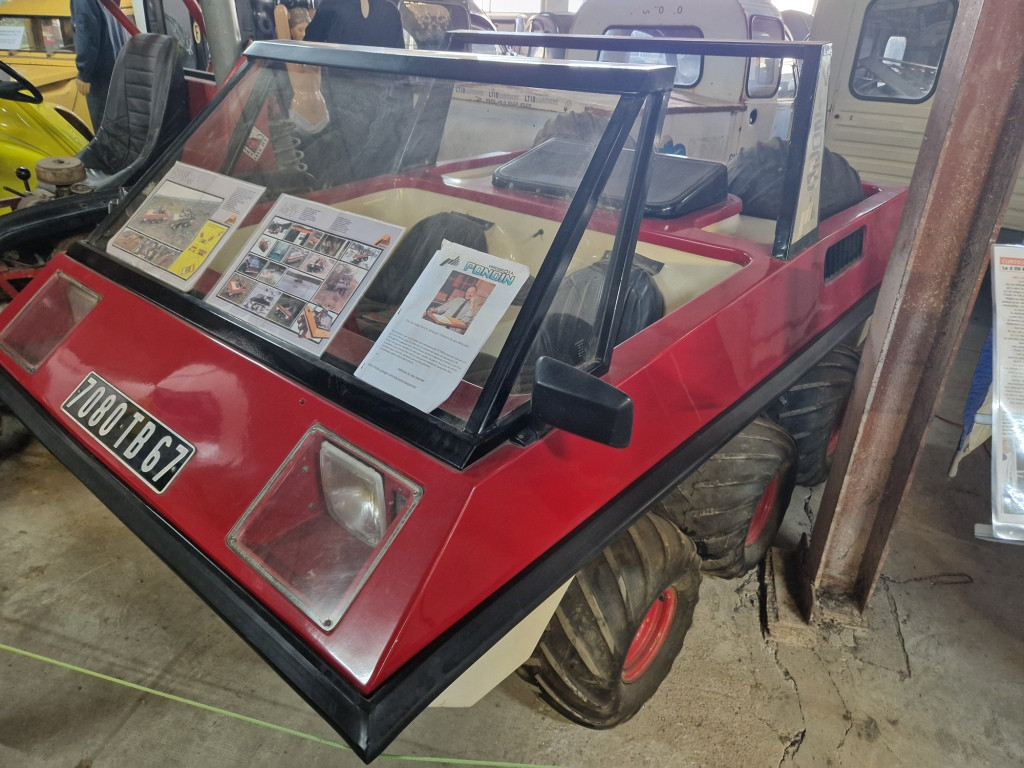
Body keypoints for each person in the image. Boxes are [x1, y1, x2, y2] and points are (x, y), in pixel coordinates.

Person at [70, 0, 129, 128]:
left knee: (106, 128)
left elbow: (86, 30)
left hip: (101, 75)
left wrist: (84, 73)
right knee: (121, 126)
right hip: (118, 68)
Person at [302, 0, 405, 48]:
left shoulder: (331, 6)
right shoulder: (391, 9)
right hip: (386, 84)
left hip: (338, 82)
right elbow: (401, 61)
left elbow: (309, 47)